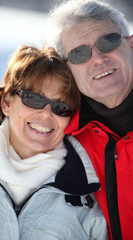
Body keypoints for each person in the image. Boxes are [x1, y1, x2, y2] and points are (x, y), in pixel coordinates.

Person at [0, 45, 109, 240]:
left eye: (61, 107)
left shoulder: (92, 193)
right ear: (6, 103)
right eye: (33, 98)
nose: (46, 114)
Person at [47, 0, 133, 239]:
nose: (97, 58)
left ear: (132, 45)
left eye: (109, 41)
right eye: (79, 53)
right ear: (67, 69)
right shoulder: (55, 139)